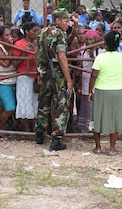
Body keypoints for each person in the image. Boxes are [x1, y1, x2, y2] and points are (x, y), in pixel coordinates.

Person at [35, 9, 73, 151]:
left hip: (44, 73)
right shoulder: (60, 34)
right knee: (61, 104)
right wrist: (68, 79)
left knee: (44, 102)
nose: (68, 24)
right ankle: (56, 139)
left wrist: (39, 71)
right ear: (57, 21)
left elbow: (36, 53)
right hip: (58, 74)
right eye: (65, 21)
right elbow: (62, 57)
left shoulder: (42, 32)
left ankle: (39, 133)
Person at [88, 30, 122, 155]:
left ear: (105, 43)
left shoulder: (100, 57)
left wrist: (90, 90)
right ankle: (112, 149)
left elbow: (94, 76)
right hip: (117, 91)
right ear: (119, 43)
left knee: (97, 117)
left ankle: (98, 147)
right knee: (115, 119)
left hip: (101, 91)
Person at [12, 21, 40, 133]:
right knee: (24, 102)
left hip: (35, 75)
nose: (36, 33)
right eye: (34, 31)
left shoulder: (37, 43)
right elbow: (14, 63)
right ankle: (27, 129)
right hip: (24, 76)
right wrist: (25, 52)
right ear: (27, 32)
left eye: (38, 31)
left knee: (35, 102)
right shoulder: (19, 44)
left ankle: (36, 128)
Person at [0, 25, 17, 135]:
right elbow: (6, 63)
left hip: (13, 80)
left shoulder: (9, 46)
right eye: (6, 35)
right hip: (3, 82)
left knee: (6, 106)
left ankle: (4, 127)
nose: (10, 37)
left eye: (10, 34)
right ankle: (0, 127)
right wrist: (11, 48)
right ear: (1, 37)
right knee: (10, 108)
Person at [77, 29, 102, 133]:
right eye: (87, 39)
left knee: (93, 103)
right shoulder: (82, 50)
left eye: (91, 39)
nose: (89, 42)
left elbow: (99, 64)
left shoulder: (99, 51)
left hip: (95, 79)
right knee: (85, 104)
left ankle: (95, 127)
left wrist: (92, 56)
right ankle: (85, 128)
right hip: (85, 78)